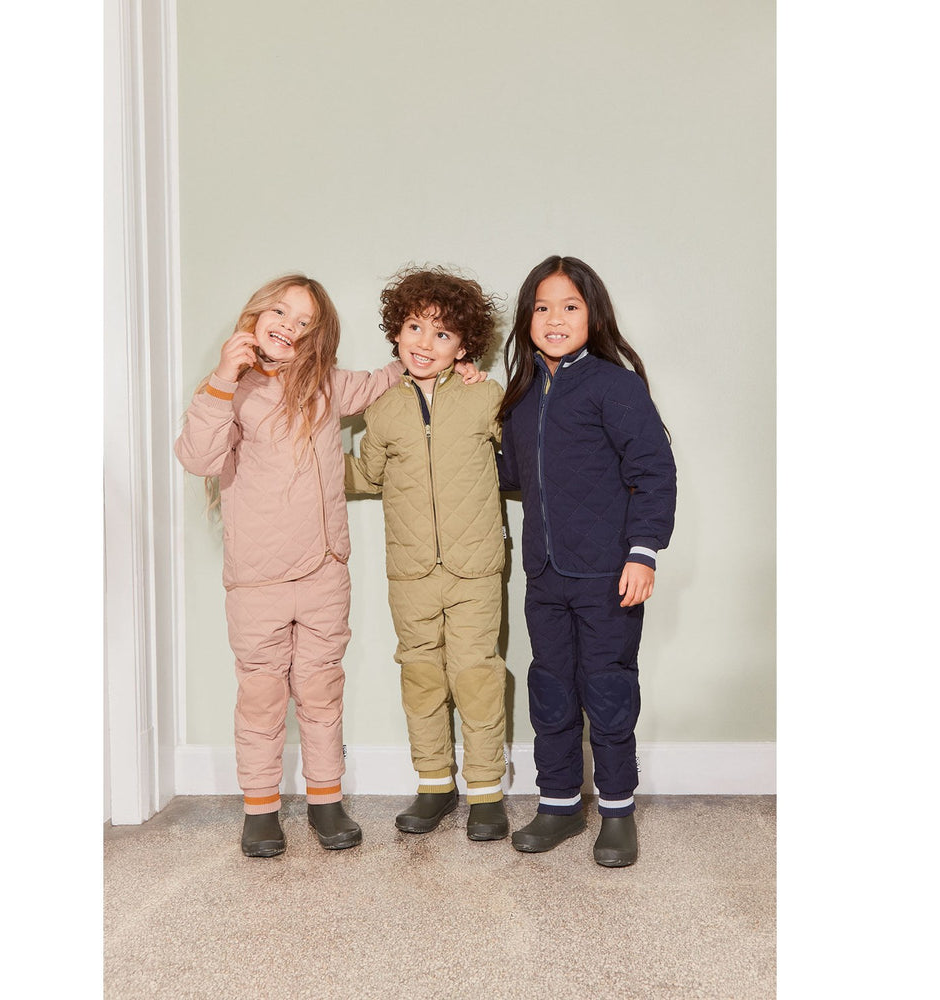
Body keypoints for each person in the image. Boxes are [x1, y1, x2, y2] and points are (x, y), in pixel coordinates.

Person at [175, 274, 483, 858]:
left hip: (323, 572)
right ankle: (261, 809)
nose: (288, 326)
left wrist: (454, 369)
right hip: (257, 579)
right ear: (256, 315)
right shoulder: (231, 391)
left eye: (304, 322)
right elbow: (198, 457)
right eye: (280, 312)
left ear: (316, 337)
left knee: (321, 692)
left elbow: (388, 378)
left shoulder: (325, 386)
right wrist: (222, 378)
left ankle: (325, 799)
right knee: (261, 697)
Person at [497, 255, 677, 866]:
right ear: (527, 319)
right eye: (542, 307)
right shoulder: (522, 396)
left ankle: (618, 812)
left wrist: (643, 554)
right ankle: (559, 805)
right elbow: (512, 474)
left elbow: (654, 473)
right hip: (545, 574)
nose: (555, 318)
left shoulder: (615, 387)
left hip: (608, 574)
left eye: (569, 306)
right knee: (550, 688)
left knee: (608, 689)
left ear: (592, 315)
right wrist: (469, 399)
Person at [344, 266, 510, 841]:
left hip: (475, 566)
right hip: (411, 569)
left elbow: (519, 460)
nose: (424, 342)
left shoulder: (484, 396)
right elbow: (368, 475)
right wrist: (310, 452)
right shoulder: (383, 406)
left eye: (442, 334)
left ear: (463, 347)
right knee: (420, 676)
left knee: (476, 675)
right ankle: (434, 783)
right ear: (396, 331)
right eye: (414, 327)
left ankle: (486, 791)